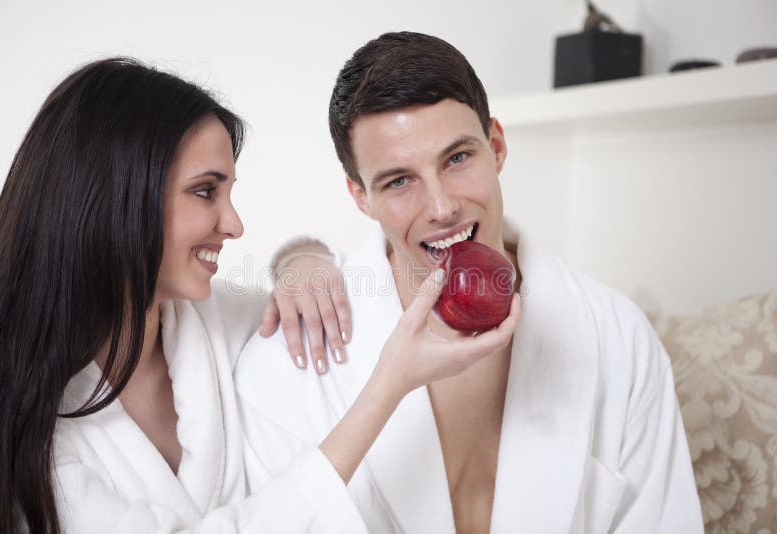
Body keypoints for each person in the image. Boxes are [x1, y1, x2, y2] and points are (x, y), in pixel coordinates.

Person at [0, 57, 518, 534]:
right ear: (115, 195)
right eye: (205, 192)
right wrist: (392, 382)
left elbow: (288, 296)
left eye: (229, 192)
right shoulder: (14, 428)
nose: (234, 225)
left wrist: (302, 257)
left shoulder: (217, 325)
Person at [235, 32, 703, 533]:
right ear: (361, 196)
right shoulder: (290, 361)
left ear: (496, 146)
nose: (442, 208)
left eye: (457, 159)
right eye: (399, 181)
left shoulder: (619, 338)